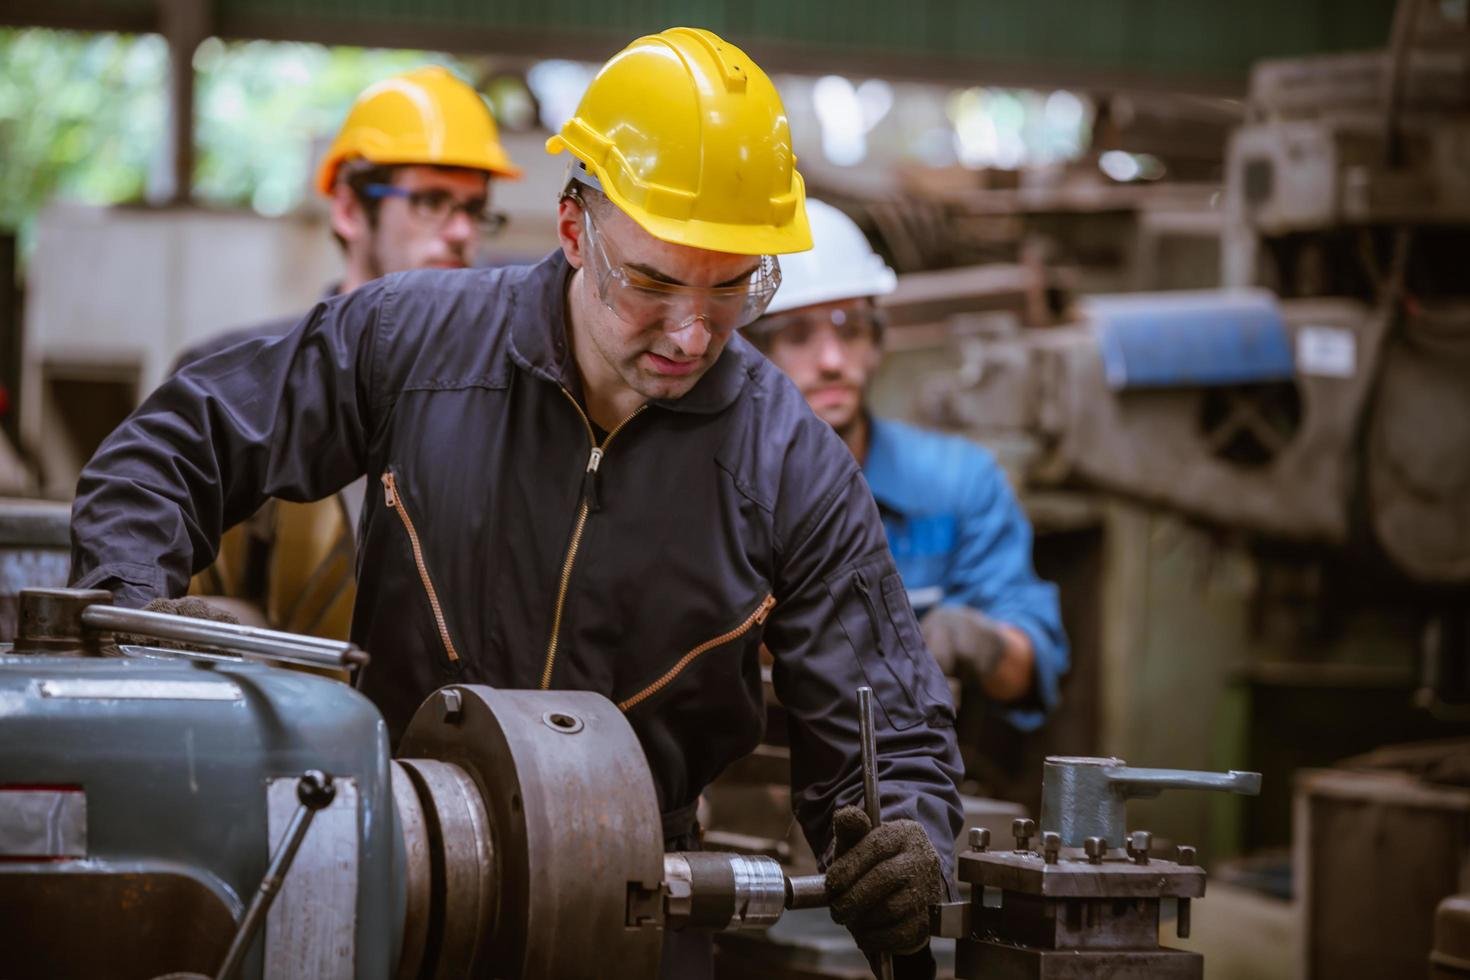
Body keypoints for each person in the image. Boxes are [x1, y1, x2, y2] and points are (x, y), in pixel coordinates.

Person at [70, 29, 962, 979]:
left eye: (732, 288)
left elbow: (888, 727)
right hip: (394, 884)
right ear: (575, 230)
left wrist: (909, 846)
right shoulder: (411, 343)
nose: (691, 334)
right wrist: (130, 620)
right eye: (653, 282)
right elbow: (174, 449)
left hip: (641, 915)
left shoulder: (791, 465)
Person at [174, 65, 523, 638]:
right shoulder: (247, 385)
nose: (462, 232)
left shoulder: (504, 394)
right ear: (348, 209)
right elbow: (184, 614)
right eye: (432, 200)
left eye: (473, 208)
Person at [747, 200, 1068, 733]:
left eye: (850, 329)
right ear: (750, 350)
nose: (832, 360)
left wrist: (980, 642)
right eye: (798, 334)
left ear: (877, 342)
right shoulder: (716, 495)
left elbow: (1032, 667)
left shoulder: (957, 483)